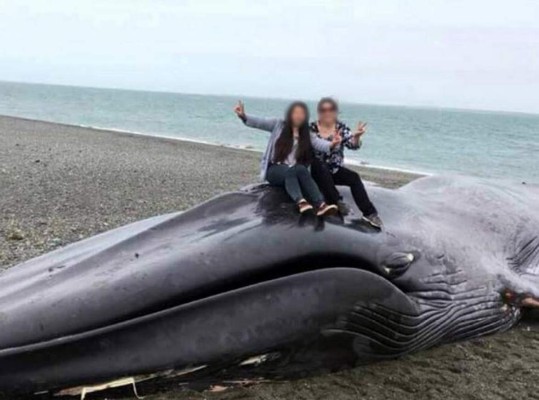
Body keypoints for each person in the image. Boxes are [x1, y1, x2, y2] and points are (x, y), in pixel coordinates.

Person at [234, 100, 339, 216]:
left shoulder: (306, 134)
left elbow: (320, 144)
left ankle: (321, 205)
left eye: (302, 113)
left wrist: (333, 144)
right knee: (291, 171)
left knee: (301, 169)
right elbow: (260, 122)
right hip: (274, 169)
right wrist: (243, 116)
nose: (298, 116)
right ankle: (300, 202)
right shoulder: (278, 125)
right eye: (296, 113)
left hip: (293, 169)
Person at [309, 97, 383, 229]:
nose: (327, 112)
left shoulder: (341, 128)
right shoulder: (312, 128)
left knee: (354, 177)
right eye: (323, 109)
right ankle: (337, 201)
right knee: (318, 164)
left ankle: (370, 213)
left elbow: (353, 145)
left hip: (334, 170)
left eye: (331, 109)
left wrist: (357, 137)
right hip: (317, 171)